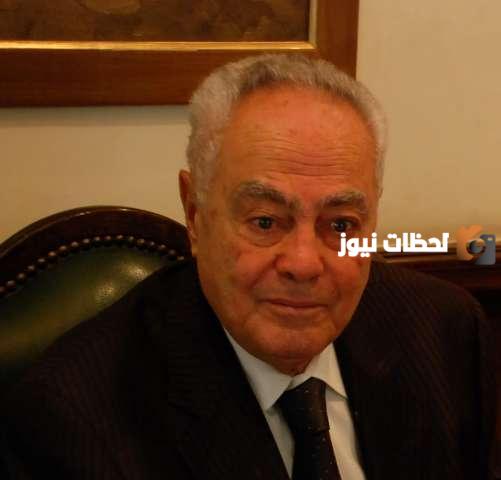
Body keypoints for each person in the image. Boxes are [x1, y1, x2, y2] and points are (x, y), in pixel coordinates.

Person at [1, 54, 495, 479]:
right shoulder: (74, 420)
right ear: (195, 214)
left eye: (341, 225)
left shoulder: (446, 332)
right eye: (265, 221)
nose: (304, 263)